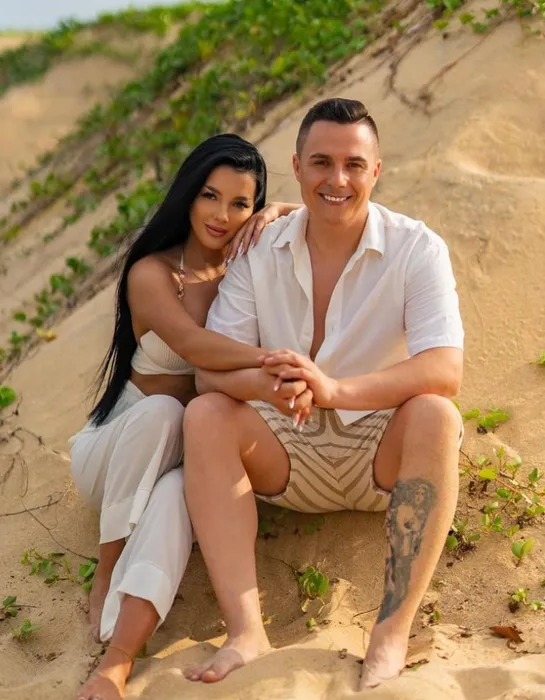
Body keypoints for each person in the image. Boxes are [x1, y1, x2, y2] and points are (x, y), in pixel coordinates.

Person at [182, 98, 465, 691]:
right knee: (206, 413)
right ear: (297, 167)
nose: (338, 179)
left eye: (354, 164)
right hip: (283, 449)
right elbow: (210, 371)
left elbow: (444, 368)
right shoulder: (259, 247)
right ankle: (246, 633)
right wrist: (271, 384)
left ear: (376, 171)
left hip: (378, 451)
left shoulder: (417, 247)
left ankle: (390, 635)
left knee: (437, 414)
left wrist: (333, 390)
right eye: (321, 162)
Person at [69, 133, 302, 700]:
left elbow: (322, 213)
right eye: (210, 196)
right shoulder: (152, 273)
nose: (222, 215)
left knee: (178, 494)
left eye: (240, 203)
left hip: (187, 447)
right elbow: (195, 348)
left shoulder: (245, 268)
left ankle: (118, 659)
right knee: (164, 413)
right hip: (118, 448)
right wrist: (273, 361)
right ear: (188, 195)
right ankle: (108, 569)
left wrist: (278, 210)